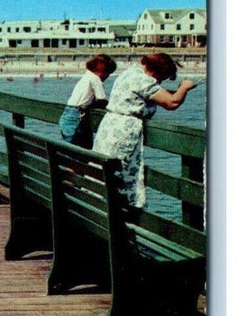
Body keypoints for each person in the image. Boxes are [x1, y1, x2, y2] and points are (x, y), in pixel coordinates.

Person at [92, 53, 197, 210]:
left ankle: (99, 208)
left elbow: (154, 93)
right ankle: (122, 216)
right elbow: (172, 102)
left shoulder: (131, 72)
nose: (159, 82)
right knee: (121, 174)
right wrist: (184, 87)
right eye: (161, 78)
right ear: (155, 71)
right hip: (124, 131)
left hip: (109, 127)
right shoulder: (144, 80)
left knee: (103, 172)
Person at [58, 54, 117, 148]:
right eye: (108, 73)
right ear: (103, 72)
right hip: (77, 115)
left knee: (70, 145)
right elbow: (102, 101)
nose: (107, 77)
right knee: (80, 147)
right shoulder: (96, 80)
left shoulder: (86, 77)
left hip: (67, 114)